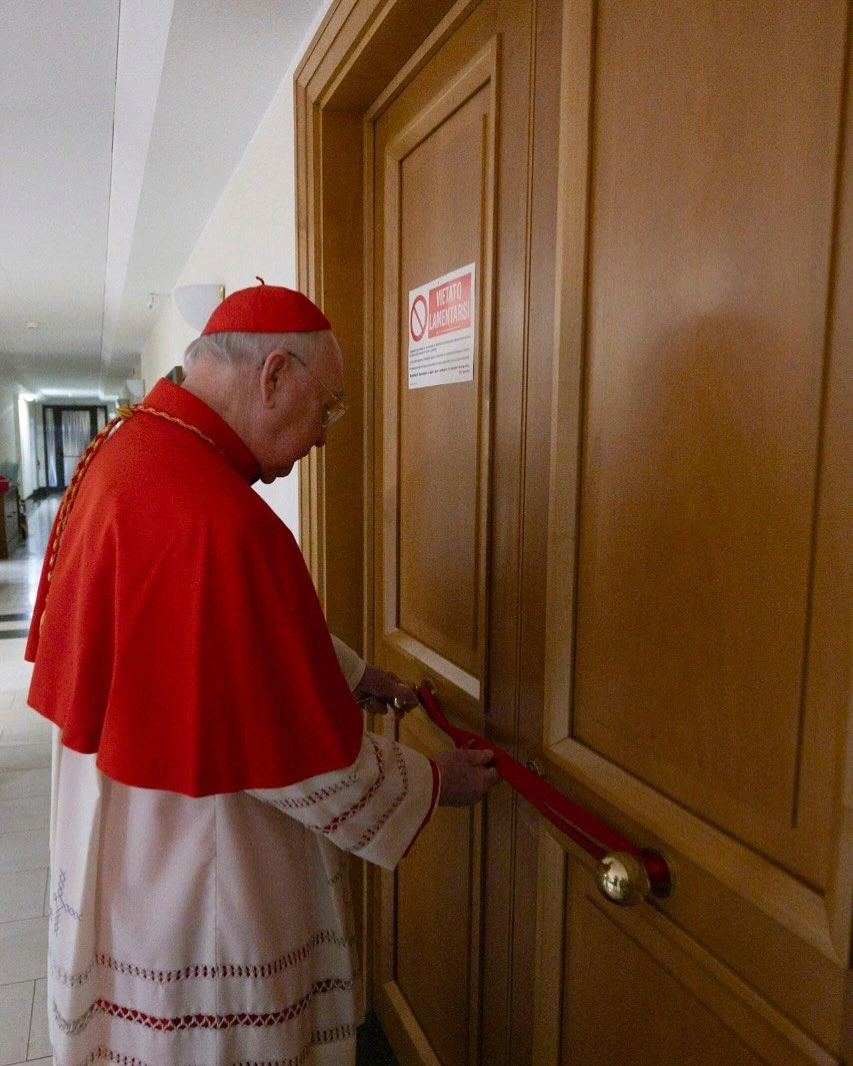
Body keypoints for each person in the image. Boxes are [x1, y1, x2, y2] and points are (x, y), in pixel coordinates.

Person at [25, 282, 498, 1066]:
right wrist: (432, 782)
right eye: (327, 408)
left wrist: (345, 672)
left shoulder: (128, 448)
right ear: (273, 374)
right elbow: (297, 754)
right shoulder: (221, 518)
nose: (322, 436)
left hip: (123, 824)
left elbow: (207, 638)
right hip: (196, 857)